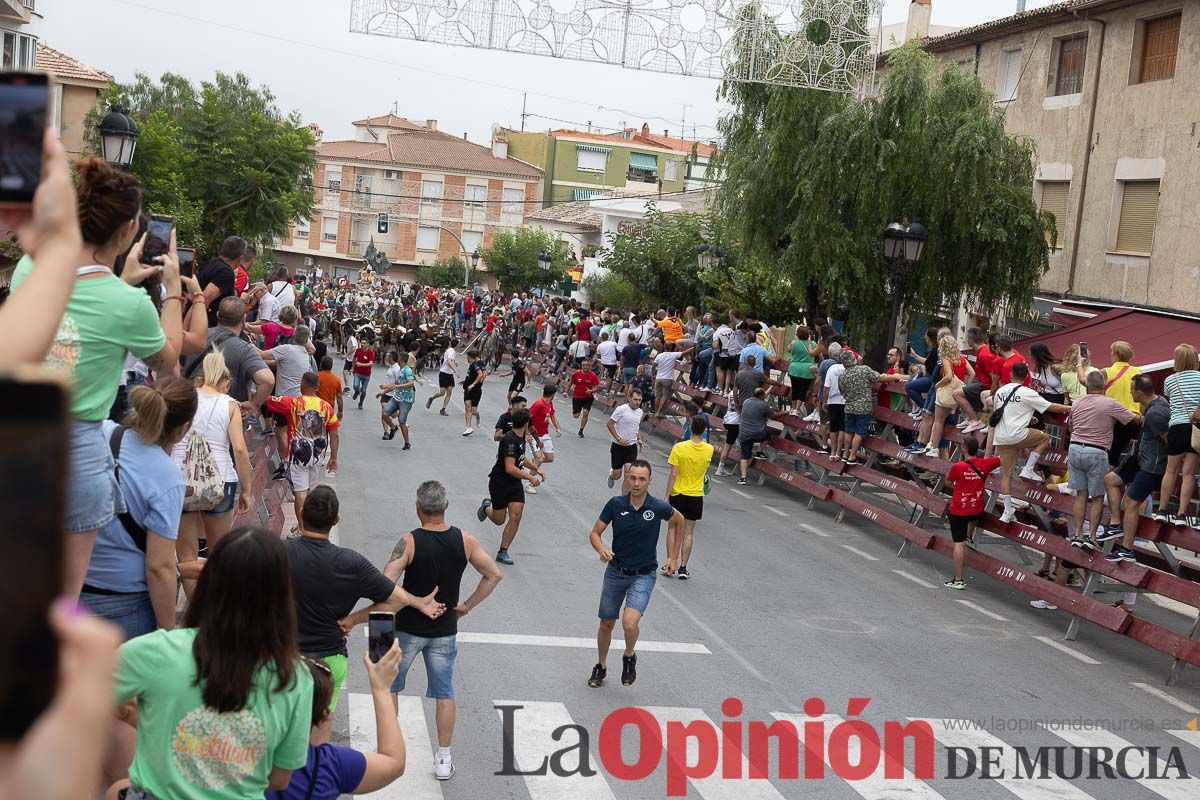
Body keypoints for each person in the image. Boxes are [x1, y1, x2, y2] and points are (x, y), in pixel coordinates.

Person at [15, 158, 184, 599]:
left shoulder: (30, 269)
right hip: (76, 454)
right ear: (129, 230)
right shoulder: (128, 306)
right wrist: (174, 289)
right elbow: (169, 360)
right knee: (64, 600)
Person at [109, 528, 313, 800]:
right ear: (282, 596)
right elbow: (278, 778)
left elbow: (81, 703)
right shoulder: (296, 677)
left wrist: (151, 726)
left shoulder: (154, 652)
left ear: (209, 584)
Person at [343, 481, 504, 782]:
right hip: (444, 631)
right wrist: (466, 606)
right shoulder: (465, 540)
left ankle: (387, 750)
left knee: (389, 688)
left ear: (418, 508)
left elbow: (385, 586)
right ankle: (443, 758)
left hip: (404, 630)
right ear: (446, 507)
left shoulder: (409, 542)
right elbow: (494, 574)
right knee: (444, 693)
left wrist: (367, 625)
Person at [287, 486, 442, 722]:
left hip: (282, 657)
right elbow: (396, 601)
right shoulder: (352, 562)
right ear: (336, 520)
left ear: (302, 514)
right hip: (329, 661)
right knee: (318, 731)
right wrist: (354, 619)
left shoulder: (277, 552)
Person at [82, 378, 196, 639]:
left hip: (74, 589)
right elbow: (159, 567)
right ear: (183, 428)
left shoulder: (101, 432)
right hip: (125, 603)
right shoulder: (168, 477)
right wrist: (167, 632)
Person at [586, 460, 682, 688]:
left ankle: (629, 656)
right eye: (633, 478)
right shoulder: (616, 504)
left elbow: (679, 521)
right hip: (616, 571)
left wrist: (673, 557)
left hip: (643, 574)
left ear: (649, 481)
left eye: (642, 479)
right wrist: (601, 549)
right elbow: (595, 532)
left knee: (629, 623)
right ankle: (601, 665)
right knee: (606, 623)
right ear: (627, 478)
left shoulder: (657, 507)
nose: (636, 483)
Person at [274, 645, 407, 800]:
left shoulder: (246, 755)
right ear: (322, 717)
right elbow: (394, 763)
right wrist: (381, 689)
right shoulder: (325, 765)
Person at [174, 351, 254, 588]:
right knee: (219, 554)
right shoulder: (230, 405)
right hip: (221, 480)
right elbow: (239, 449)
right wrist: (246, 490)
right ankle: (215, 609)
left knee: (186, 556)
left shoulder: (184, 398)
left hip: (181, 478)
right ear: (225, 382)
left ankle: (194, 613)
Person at [1064, 370, 1136, 549]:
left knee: (1080, 495)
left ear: (1086, 385)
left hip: (1075, 448)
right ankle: (1092, 537)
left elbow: (1070, 426)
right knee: (1096, 496)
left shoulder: (1077, 403)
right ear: (1104, 386)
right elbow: (1132, 419)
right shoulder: (1110, 403)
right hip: (1097, 450)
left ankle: (1078, 535)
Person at [992, 363, 1070, 523]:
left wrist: (1028, 417)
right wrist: (1071, 408)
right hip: (1018, 434)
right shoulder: (1028, 392)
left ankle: (1007, 511)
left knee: (1006, 474)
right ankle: (1028, 469)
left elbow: (1007, 411)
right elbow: (1051, 407)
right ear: (1027, 376)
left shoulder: (1000, 391)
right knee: (1044, 438)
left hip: (1001, 436)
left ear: (1011, 374)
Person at [1104, 376, 1170, 563]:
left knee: (1132, 503)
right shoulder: (1155, 405)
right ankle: (1116, 524)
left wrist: (1170, 470)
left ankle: (1127, 549)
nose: (1130, 393)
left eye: (1132, 389)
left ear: (1139, 392)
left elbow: (1169, 441)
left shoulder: (1156, 413)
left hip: (1152, 466)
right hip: (1141, 459)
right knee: (1110, 480)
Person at [267, 372, 341, 530]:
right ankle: (310, 525)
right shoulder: (326, 407)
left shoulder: (293, 402)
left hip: (297, 457)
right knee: (310, 492)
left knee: (300, 493)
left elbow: (268, 400)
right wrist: (333, 457)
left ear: (301, 385)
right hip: (317, 457)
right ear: (317, 387)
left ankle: (303, 529)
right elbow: (334, 434)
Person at [477, 408, 543, 565]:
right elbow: (510, 467)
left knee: (516, 516)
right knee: (499, 520)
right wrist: (530, 477)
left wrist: (537, 469)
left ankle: (503, 551)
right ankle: (487, 507)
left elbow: (520, 457)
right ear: (526, 423)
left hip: (514, 483)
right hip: (500, 482)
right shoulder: (510, 439)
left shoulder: (520, 438)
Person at [943, 438, 1001, 590]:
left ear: (964, 450)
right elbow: (1002, 458)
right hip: (976, 510)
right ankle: (970, 535)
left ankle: (958, 580)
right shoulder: (986, 463)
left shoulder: (958, 466)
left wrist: (960, 484)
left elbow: (948, 483)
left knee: (958, 544)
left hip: (958, 510)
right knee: (976, 514)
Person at [664, 415, 714, 581]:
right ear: (704, 430)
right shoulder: (709, 449)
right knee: (688, 533)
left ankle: (670, 561)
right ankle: (683, 567)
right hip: (696, 495)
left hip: (678, 493)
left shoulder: (679, 447)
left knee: (672, 528)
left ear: (690, 428)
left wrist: (666, 495)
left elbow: (673, 473)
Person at [1156, 344, 1200, 526]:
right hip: (1196, 428)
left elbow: (1170, 398)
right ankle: (1181, 515)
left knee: (1171, 470)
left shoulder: (1170, 380)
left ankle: (1162, 510)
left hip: (1176, 426)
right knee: (1189, 473)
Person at [737, 387, 790, 486]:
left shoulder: (746, 402)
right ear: (762, 396)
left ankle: (743, 478)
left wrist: (769, 388)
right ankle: (759, 451)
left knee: (744, 456)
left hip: (744, 433)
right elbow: (773, 415)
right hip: (758, 433)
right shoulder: (763, 405)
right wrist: (785, 412)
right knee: (769, 433)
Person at [196, 236, 247, 326]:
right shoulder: (226, 273)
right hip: (205, 328)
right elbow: (203, 300)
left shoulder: (208, 264)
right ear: (240, 258)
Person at [606, 390, 646, 492]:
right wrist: (619, 438)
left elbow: (635, 427)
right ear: (629, 398)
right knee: (617, 475)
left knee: (629, 474)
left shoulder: (640, 412)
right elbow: (609, 424)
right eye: (635, 399)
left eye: (640, 400)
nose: (637, 402)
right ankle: (612, 475)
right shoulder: (621, 409)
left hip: (631, 446)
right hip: (617, 446)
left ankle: (624, 500)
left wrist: (639, 439)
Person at [379, 351, 416, 449]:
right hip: (396, 398)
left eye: (398, 358)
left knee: (402, 421)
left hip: (406, 401)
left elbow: (411, 383)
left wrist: (398, 386)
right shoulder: (400, 370)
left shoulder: (407, 370)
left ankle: (407, 443)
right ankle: (393, 427)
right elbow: (395, 384)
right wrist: (384, 390)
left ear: (401, 359)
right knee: (385, 413)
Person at [823, 350, 850, 462]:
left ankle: (832, 452)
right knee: (842, 428)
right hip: (845, 401)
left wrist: (824, 401)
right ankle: (839, 452)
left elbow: (826, 387)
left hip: (833, 401)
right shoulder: (849, 369)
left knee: (833, 428)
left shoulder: (832, 368)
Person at [787, 325, 817, 414]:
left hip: (794, 369)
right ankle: (797, 408)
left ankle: (792, 408)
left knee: (795, 389)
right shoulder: (812, 344)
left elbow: (788, 350)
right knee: (803, 390)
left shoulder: (794, 343)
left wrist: (795, 340)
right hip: (807, 370)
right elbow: (817, 354)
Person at [570, 356, 601, 437]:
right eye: (584, 365)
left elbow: (597, 387)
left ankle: (581, 430)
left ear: (590, 366)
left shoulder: (593, 375)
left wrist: (591, 391)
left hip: (588, 397)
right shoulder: (576, 374)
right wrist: (566, 391)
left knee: (586, 413)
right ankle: (578, 410)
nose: (585, 367)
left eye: (587, 365)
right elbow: (571, 382)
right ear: (581, 366)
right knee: (576, 416)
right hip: (577, 396)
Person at [427, 336, 458, 416]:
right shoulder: (451, 351)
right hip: (444, 373)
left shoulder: (450, 351)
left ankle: (443, 409)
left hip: (449, 374)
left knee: (449, 391)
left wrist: (455, 363)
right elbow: (449, 362)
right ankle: (432, 398)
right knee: (442, 392)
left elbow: (451, 361)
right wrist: (456, 370)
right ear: (457, 345)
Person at [461, 348, 486, 436]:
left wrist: (473, 384)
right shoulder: (471, 365)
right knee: (467, 407)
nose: (466, 358)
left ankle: (477, 416)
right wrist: (465, 382)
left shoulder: (475, 365)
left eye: (467, 357)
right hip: (467, 390)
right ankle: (468, 427)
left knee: (473, 410)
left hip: (476, 390)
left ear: (470, 357)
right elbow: (470, 376)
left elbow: (481, 374)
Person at [351, 336, 376, 410]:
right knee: (355, 385)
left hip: (366, 374)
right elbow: (354, 359)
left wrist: (361, 364)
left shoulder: (370, 353)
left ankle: (361, 403)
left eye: (364, 343)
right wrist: (352, 368)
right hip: (357, 372)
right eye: (361, 343)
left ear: (367, 344)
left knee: (364, 391)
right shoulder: (358, 350)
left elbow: (371, 363)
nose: (362, 345)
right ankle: (357, 392)